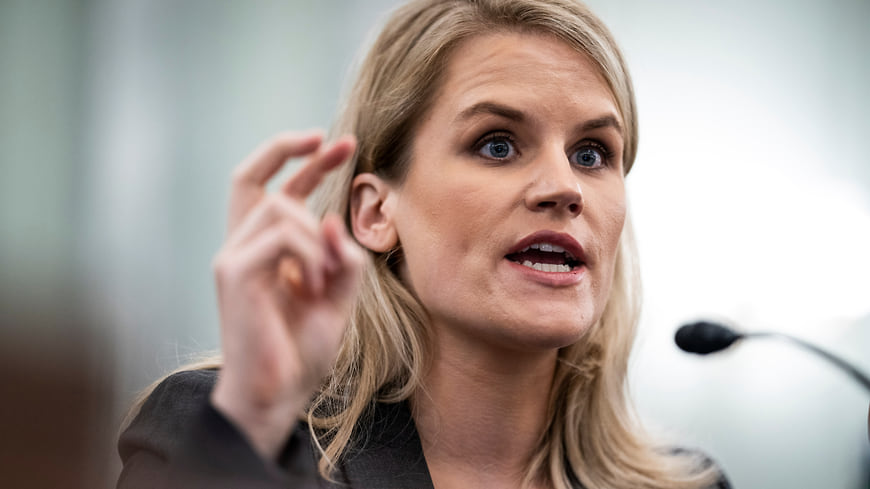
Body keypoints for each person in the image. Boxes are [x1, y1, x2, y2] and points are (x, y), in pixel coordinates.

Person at [117, 1, 731, 488]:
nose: (564, 187)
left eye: (591, 154)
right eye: (497, 144)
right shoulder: (231, 435)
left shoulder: (688, 483)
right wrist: (251, 416)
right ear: (376, 212)